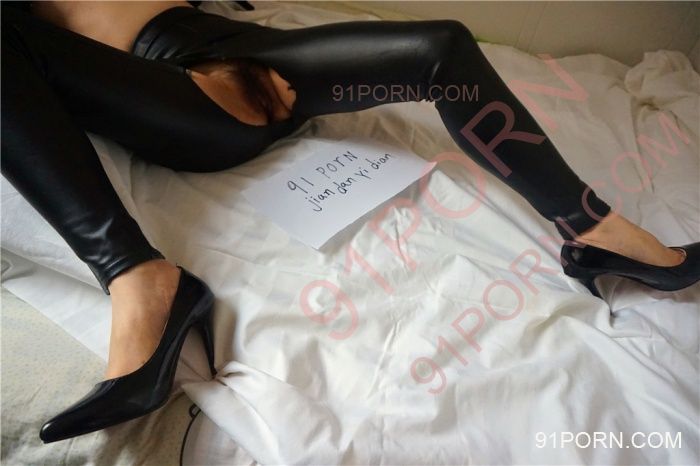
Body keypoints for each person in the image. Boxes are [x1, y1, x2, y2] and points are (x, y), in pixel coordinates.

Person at [2, 1, 697, 444]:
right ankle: (135, 274)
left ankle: (596, 232)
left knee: (442, 47)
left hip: (245, 51)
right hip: (163, 92)